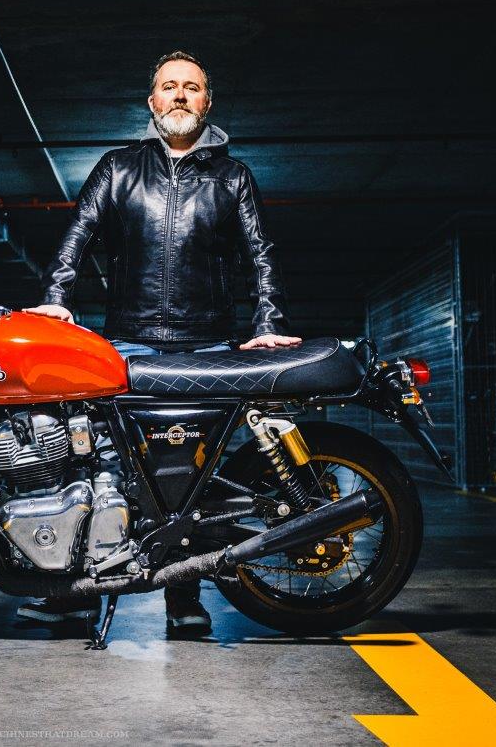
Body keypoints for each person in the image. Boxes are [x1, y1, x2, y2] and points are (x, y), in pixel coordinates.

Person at [17, 50, 302, 636]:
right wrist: (56, 298)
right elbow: (79, 236)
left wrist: (267, 320)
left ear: (207, 103)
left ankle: (184, 601)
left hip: (208, 349)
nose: (179, 95)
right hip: (129, 343)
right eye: (168, 87)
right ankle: (76, 592)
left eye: (191, 88)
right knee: (106, 468)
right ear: (151, 103)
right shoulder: (118, 168)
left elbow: (260, 256)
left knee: (189, 480)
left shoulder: (233, 176)